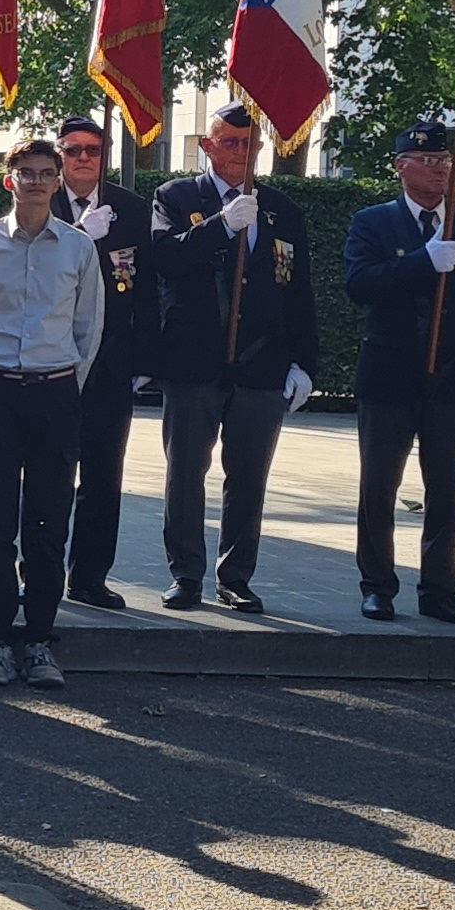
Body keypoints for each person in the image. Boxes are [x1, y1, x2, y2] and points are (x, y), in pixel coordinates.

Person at [148, 103, 321, 611]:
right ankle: (186, 574)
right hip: (194, 361)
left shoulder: (282, 209)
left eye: (250, 145)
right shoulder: (176, 197)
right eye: (230, 143)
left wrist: (304, 363)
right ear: (207, 146)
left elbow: (298, 293)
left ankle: (236, 576)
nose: (241, 153)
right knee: (186, 473)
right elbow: (166, 258)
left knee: (249, 477)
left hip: (261, 364)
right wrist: (220, 226)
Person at [0, 136, 104, 687]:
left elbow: (88, 329)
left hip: (55, 394)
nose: (36, 182)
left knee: (47, 523)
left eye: (46, 173)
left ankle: (39, 639)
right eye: (27, 173)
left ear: (58, 181)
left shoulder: (78, 248)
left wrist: (60, 382)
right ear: (9, 179)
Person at [344, 120, 455, 624]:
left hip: (450, 380)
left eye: (445, 161)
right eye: (427, 161)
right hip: (390, 377)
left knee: (447, 492)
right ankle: (377, 585)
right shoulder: (374, 222)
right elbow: (360, 284)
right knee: (379, 487)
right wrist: (421, 262)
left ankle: (439, 588)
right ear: (401, 167)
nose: (439, 170)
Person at [49, 114, 156, 610]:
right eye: (73, 150)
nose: (83, 159)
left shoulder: (131, 209)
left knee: (103, 476)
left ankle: (90, 576)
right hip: (53, 361)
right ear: (59, 156)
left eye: (93, 150)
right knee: (50, 474)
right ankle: (41, 572)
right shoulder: (41, 202)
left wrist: (144, 358)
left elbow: (148, 288)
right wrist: (76, 234)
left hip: (111, 364)